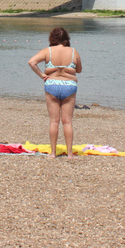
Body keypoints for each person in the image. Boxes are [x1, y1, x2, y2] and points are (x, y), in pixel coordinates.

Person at [27, 27, 83, 158]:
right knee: (67, 121)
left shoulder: (48, 51)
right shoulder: (74, 52)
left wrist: (41, 74)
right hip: (69, 85)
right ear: (66, 39)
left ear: (52, 38)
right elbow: (79, 69)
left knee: (54, 121)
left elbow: (32, 62)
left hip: (52, 85)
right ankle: (70, 154)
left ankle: (52, 153)